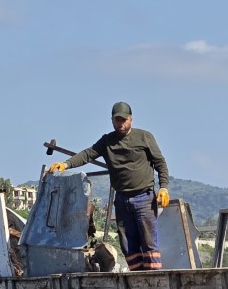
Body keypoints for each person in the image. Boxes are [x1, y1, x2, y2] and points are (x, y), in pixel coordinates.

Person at [51, 101, 169, 270]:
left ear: (131, 119)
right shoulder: (108, 141)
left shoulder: (144, 137)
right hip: (122, 199)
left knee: (149, 241)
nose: (120, 123)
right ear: (112, 120)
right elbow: (88, 154)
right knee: (128, 243)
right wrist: (66, 164)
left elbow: (160, 163)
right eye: (117, 120)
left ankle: (155, 279)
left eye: (124, 120)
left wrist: (163, 187)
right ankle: (137, 277)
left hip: (143, 197)